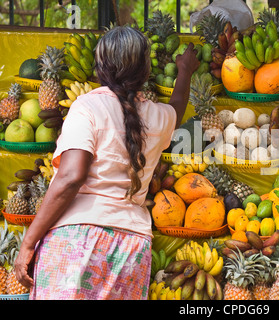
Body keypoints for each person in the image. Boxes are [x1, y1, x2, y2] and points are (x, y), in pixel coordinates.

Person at [13, 26, 200, 300]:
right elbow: (177, 106)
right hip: (131, 246)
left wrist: (28, 243)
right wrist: (184, 72)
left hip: (77, 239)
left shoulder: (87, 107)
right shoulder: (160, 118)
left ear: (100, 68)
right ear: (145, 71)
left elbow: (70, 177)